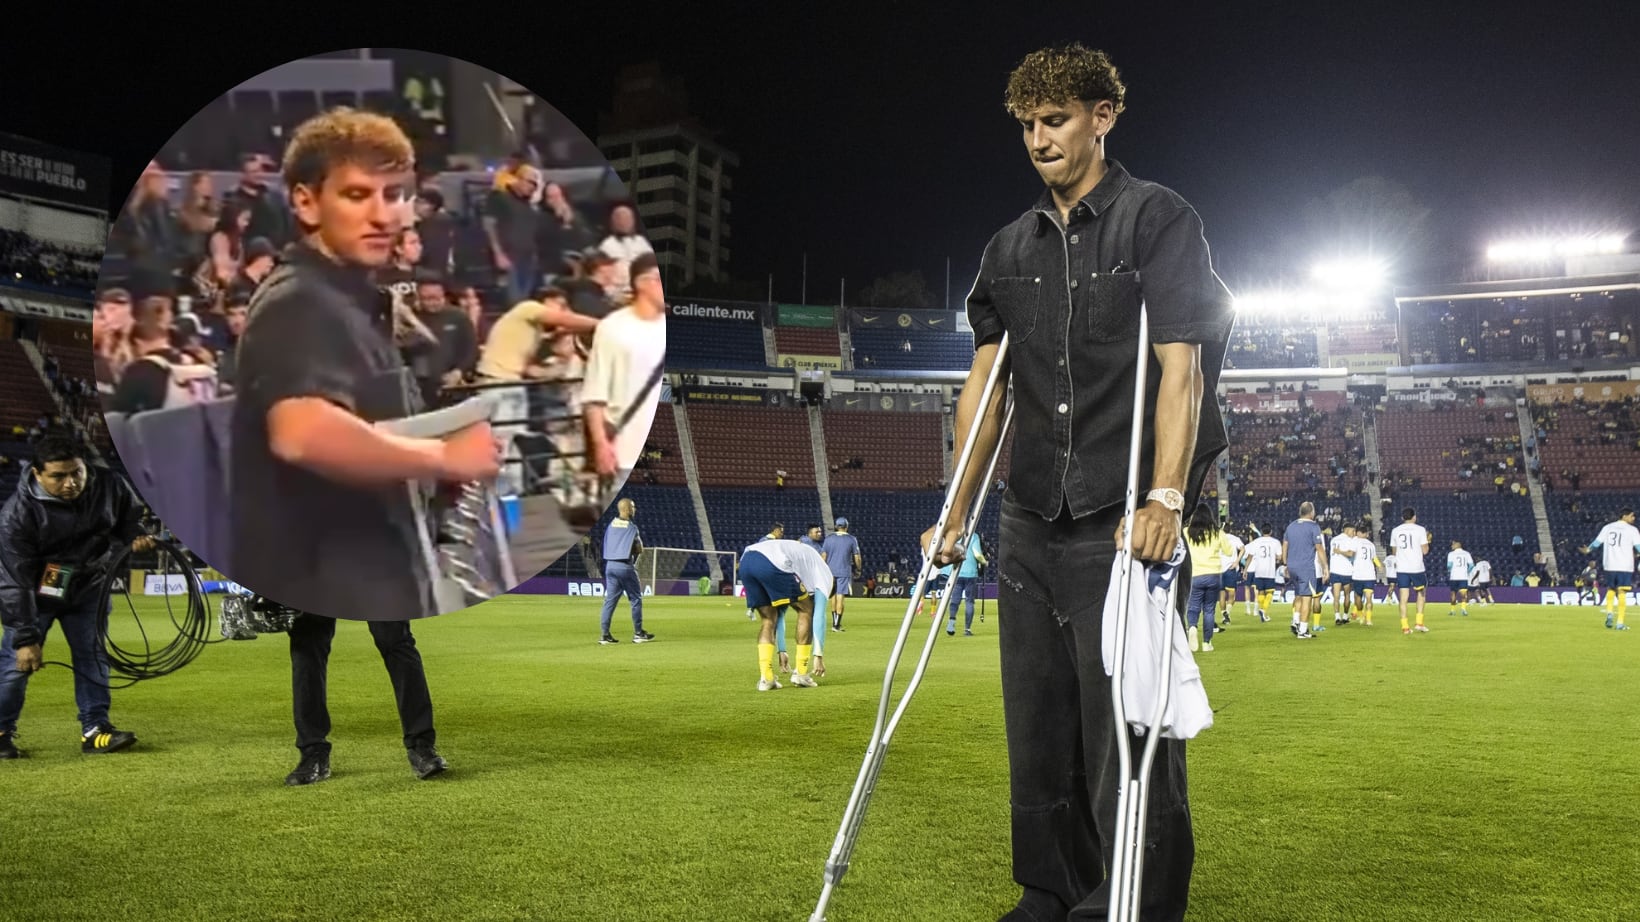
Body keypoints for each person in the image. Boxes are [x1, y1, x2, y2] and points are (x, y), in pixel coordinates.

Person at [922, 43, 1233, 922]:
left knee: (1125, 732)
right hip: (1027, 518)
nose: (1038, 139)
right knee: (1039, 723)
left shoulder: (1157, 221)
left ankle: (1129, 899)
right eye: (1026, 124)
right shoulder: (1007, 250)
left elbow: (1184, 369)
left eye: (1054, 119)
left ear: (1103, 116)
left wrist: (1167, 497)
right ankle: (1047, 890)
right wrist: (956, 507)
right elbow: (985, 388)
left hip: (1118, 518)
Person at [229, 108, 503, 621]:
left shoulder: (352, 298)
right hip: (328, 584)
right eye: (357, 195)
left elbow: (371, 428)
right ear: (307, 202)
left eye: (395, 194)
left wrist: (436, 459)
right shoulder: (301, 300)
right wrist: (443, 458)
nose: (383, 215)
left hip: (368, 573)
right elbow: (302, 433)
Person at [0, 435, 153, 759]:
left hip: (88, 587)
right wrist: (26, 637)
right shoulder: (16, 515)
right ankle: (1, 732)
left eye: (76, 473)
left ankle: (96, 731)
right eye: (58, 476)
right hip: (36, 594)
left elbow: (128, 518)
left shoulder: (109, 484)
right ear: (37, 474)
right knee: (16, 666)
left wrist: (134, 535)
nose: (70, 483)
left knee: (92, 658)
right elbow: (15, 581)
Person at [582, 253, 668, 486]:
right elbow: (594, 395)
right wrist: (600, 445)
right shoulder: (612, 328)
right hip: (625, 455)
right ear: (641, 283)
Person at [740, 537, 830, 691]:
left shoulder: (803, 565)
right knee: (807, 609)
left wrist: (782, 650)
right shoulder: (826, 576)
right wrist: (818, 656)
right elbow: (819, 614)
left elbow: (780, 612)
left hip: (746, 561)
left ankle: (766, 679)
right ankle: (801, 673)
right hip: (772, 562)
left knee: (768, 619)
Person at [597, 499, 653, 645]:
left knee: (609, 601)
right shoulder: (632, 528)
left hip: (610, 566)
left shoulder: (610, 525)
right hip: (625, 566)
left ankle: (604, 636)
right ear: (628, 509)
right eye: (633, 507)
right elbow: (639, 549)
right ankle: (638, 633)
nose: (635, 510)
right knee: (635, 599)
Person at [1184, 504, 1233, 652]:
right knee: (1209, 609)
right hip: (1213, 574)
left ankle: (1192, 627)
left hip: (1195, 574)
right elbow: (1229, 552)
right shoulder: (1217, 533)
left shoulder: (1186, 532)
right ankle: (1207, 643)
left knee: (1193, 607)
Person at [1587, 508, 1638, 630]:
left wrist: (1588, 549)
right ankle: (1620, 623)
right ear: (1624, 516)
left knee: (1611, 589)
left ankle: (1609, 613)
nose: (1633, 518)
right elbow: (1639, 546)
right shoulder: (1632, 530)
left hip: (1609, 564)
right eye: (1632, 516)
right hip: (1625, 566)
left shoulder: (1608, 527)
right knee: (1622, 593)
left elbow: (1596, 543)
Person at [1282, 502, 1327, 639]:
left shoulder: (1291, 526)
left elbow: (1285, 545)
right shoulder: (1314, 527)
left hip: (1292, 566)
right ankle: (1303, 630)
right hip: (1306, 567)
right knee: (1307, 598)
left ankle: (1295, 621)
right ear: (1311, 512)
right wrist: (1325, 567)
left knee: (1299, 595)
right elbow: (1319, 548)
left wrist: (1285, 563)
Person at [1390, 508, 1431, 635]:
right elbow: (1425, 551)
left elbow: (1394, 552)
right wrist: (1428, 542)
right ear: (1414, 517)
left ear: (1403, 518)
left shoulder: (1395, 530)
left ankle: (1405, 627)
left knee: (1403, 597)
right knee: (1421, 593)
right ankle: (1419, 623)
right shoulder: (1420, 529)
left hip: (1402, 568)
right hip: (1416, 567)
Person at [821, 517, 862, 632]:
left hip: (830, 572)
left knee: (832, 597)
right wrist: (858, 568)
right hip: (844, 571)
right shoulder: (851, 539)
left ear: (836, 526)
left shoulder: (829, 539)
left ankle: (834, 622)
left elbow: (823, 556)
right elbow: (857, 557)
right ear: (846, 526)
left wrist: (822, 570)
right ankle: (836, 625)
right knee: (840, 597)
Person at [945, 533, 989, 636]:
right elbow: (977, 554)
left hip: (957, 572)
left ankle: (951, 623)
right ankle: (967, 629)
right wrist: (984, 562)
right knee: (969, 602)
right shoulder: (973, 536)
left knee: (955, 599)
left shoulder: (955, 535)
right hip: (971, 574)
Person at [1244, 525, 1281, 622]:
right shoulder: (1275, 542)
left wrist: (1245, 570)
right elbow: (1279, 557)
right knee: (1270, 592)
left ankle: (1262, 611)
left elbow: (1250, 557)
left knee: (1260, 591)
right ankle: (1263, 610)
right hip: (1270, 571)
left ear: (1261, 531)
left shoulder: (1256, 542)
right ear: (1271, 531)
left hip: (1258, 571)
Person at [1350, 521, 1380, 626]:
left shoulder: (1355, 541)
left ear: (1358, 533)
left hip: (1358, 574)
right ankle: (1369, 620)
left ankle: (1361, 614)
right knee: (1369, 598)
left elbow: (1351, 554)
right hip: (1369, 575)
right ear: (1366, 533)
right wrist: (1380, 566)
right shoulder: (1371, 545)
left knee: (1357, 598)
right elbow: (1374, 558)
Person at [1328, 523, 1358, 625]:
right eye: (1353, 531)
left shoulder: (1334, 539)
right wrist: (1341, 552)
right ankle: (1345, 616)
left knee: (1336, 596)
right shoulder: (1349, 540)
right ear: (1348, 530)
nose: (1354, 533)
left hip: (1334, 570)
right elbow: (1351, 554)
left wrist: (1338, 551)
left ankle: (1337, 617)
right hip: (1346, 571)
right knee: (1347, 595)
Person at [1217, 519, 1244, 628]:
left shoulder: (1216, 538)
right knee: (1232, 594)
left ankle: (1224, 615)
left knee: (1221, 594)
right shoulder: (1235, 539)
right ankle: (1227, 613)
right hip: (1230, 569)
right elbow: (1243, 549)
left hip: (1218, 569)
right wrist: (1237, 561)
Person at [1446, 539, 1474, 618]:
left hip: (1454, 576)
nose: (1451, 546)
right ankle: (1463, 609)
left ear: (1456, 546)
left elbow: (1449, 565)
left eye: (1452, 545)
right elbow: (1472, 565)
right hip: (1463, 576)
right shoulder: (1466, 553)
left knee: (1453, 593)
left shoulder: (1451, 554)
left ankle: (1452, 610)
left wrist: (1450, 570)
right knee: (1463, 594)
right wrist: (1467, 572)